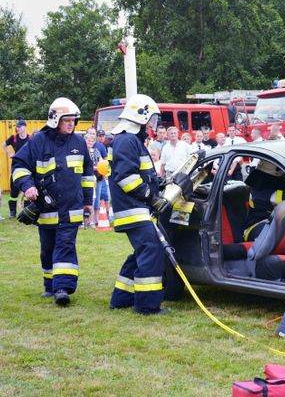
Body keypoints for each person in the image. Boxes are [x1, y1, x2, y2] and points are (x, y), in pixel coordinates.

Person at [11, 98, 93, 306]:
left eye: (74, 120)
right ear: (55, 120)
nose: (72, 124)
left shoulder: (79, 142)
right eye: (67, 120)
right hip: (46, 208)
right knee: (47, 248)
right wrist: (27, 185)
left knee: (65, 245)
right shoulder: (38, 141)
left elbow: (87, 174)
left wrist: (88, 202)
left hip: (71, 209)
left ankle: (62, 288)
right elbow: (19, 164)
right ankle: (50, 285)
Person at [108, 94, 171, 315]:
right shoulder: (127, 140)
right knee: (151, 249)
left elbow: (141, 173)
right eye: (152, 119)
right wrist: (150, 196)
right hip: (132, 209)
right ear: (140, 116)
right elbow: (126, 178)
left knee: (142, 251)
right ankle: (146, 305)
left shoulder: (132, 140)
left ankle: (122, 297)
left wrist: (158, 185)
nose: (153, 125)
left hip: (135, 207)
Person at [3, 119, 31, 217]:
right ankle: (12, 213)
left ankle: (27, 212)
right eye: (17, 127)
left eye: (19, 127)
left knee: (28, 189)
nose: (17, 128)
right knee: (14, 191)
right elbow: (4, 145)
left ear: (24, 127)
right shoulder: (14, 138)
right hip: (16, 167)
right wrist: (10, 153)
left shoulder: (30, 138)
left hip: (28, 168)